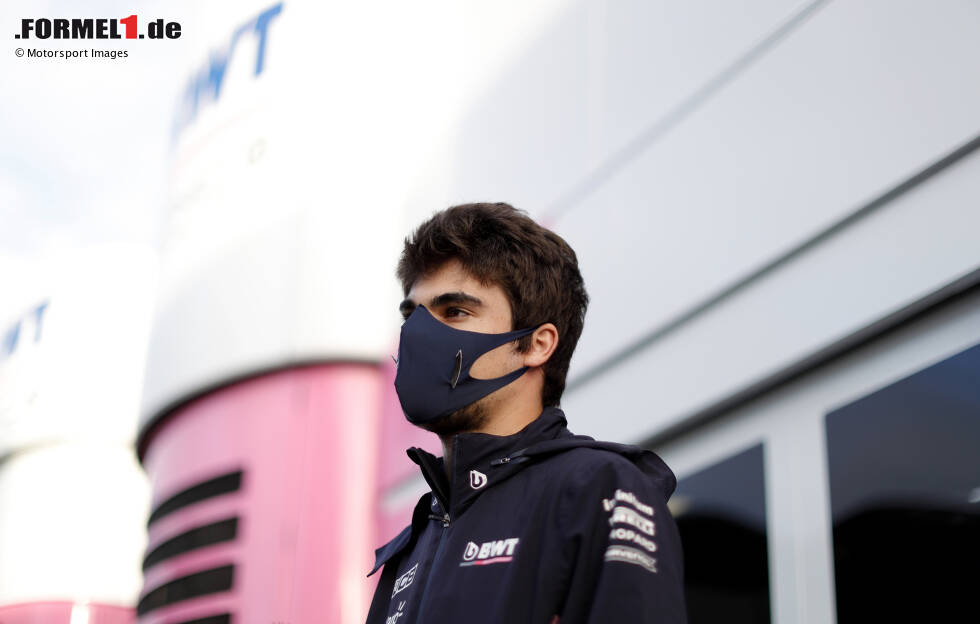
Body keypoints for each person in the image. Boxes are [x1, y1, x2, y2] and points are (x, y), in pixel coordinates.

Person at [366, 203, 686, 624]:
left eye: (455, 311)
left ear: (537, 344)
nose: (419, 336)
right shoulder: (413, 542)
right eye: (412, 315)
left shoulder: (597, 491)